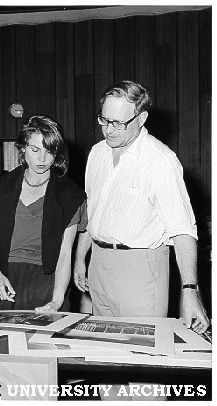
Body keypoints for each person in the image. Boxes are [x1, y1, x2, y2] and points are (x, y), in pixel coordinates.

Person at [74, 80, 209, 334]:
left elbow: (183, 231)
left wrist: (191, 291)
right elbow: (92, 213)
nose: (109, 130)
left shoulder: (161, 161)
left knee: (142, 357)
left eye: (119, 123)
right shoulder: (96, 154)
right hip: (99, 262)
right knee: (104, 354)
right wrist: (81, 259)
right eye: (104, 120)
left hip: (141, 268)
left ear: (141, 117)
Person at [0, 115, 86, 311]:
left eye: (49, 151)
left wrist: (57, 301)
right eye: (35, 150)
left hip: (46, 282)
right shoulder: (3, 188)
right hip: (2, 278)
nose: (42, 159)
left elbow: (65, 254)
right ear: (23, 148)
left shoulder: (69, 195)